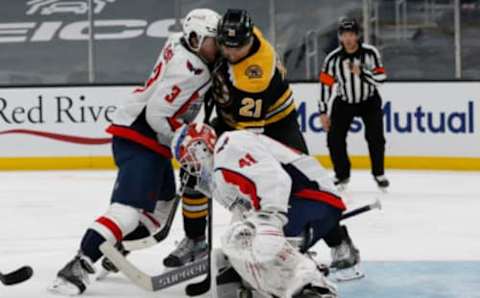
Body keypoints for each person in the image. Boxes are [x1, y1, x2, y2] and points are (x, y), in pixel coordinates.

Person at [48, 8, 221, 295]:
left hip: (143, 136)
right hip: (142, 138)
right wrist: (185, 137)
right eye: (212, 40)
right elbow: (156, 115)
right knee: (127, 213)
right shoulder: (191, 71)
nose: (218, 46)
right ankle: (78, 264)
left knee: (161, 210)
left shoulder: (179, 41)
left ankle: (115, 246)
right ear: (195, 38)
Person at [163, 8, 310, 268]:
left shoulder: (254, 74)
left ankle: (294, 247)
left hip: (275, 126)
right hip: (232, 119)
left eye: (235, 48)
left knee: (294, 185)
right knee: (193, 167)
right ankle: (196, 239)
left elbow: (244, 140)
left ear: (248, 42)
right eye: (224, 45)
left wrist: (218, 169)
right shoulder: (238, 35)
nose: (228, 53)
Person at [171, 123, 363, 297]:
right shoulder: (222, 164)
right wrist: (204, 186)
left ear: (202, 147)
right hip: (301, 201)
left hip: (313, 198)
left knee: (251, 242)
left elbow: (276, 179)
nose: (190, 166)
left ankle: (314, 287)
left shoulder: (230, 146)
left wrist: (269, 222)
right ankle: (272, 278)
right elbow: (240, 205)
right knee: (240, 239)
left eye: (189, 159)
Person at [318, 18, 389, 191]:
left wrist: (362, 73)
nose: (348, 39)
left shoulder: (370, 53)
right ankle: (342, 175)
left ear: (357, 36)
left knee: (376, 138)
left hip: (369, 100)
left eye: (351, 34)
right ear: (340, 37)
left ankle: (378, 173)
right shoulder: (332, 59)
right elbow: (325, 85)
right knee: (334, 139)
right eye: (344, 35)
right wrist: (323, 112)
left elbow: (381, 79)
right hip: (344, 101)